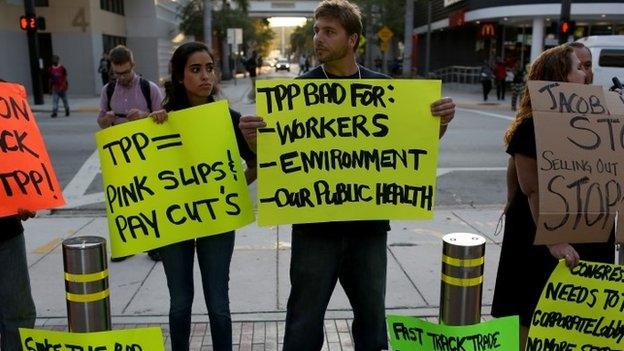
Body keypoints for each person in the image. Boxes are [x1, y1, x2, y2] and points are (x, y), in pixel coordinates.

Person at [239, 1, 455, 350]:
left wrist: (439, 124)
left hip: (367, 230)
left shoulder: (384, 88)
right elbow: (280, 159)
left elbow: (414, 148)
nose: (318, 38)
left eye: (329, 31)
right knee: (303, 323)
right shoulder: (297, 92)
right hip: (313, 230)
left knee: (371, 321)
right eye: (316, 30)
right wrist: (255, 140)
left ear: (352, 39)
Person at [492, 44, 615, 350]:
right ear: (559, 76)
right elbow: (531, 187)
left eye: (586, 67)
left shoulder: (598, 120)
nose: (586, 74)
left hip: (588, 228)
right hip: (539, 230)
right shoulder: (532, 125)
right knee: (531, 307)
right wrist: (553, 240)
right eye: (579, 68)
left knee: (582, 315)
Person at [156, 41, 257, 351]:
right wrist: (149, 124)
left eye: (209, 68)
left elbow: (255, 165)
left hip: (217, 220)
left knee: (218, 301)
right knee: (180, 302)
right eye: (195, 69)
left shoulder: (230, 117)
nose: (205, 76)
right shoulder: (163, 120)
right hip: (177, 224)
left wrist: (230, 187)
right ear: (180, 76)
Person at [96, 45, 164, 262]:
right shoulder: (108, 90)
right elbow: (100, 121)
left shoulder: (148, 88)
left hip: (146, 154)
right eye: (118, 73)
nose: (122, 77)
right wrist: (105, 120)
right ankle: (126, 244)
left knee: (149, 199)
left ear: (133, 65)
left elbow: (162, 119)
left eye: (126, 72)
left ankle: (154, 245)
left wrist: (144, 116)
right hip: (119, 155)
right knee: (123, 201)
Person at [0, 208, 37, 351]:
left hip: (7, 231)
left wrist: (23, 200)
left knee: (18, 316)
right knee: (18, 316)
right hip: (7, 232)